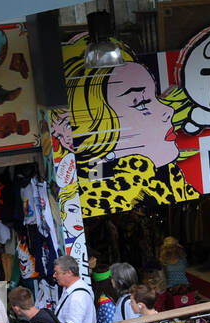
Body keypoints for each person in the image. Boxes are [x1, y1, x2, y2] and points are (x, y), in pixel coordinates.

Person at [62, 37, 199, 214]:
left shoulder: (168, 180)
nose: (168, 111)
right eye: (141, 103)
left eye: (156, 97)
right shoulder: (83, 202)